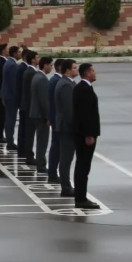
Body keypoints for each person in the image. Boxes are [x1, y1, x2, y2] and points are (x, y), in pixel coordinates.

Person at [72, 63, 101, 210]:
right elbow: (85, 115)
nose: (95, 73)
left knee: (82, 166)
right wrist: (89, 134)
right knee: (83, 166)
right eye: (93, 71)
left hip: (82, 133)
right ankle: (81, 198)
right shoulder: (84, 90)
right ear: (87, 73)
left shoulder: (83, 88)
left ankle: (81, 196)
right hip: (85, 135)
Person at [54, 59, 78, 197]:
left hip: (65, 126)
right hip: (66, 128)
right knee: (66, 158)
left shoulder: (68, 83)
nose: (76, 70)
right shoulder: (65, 85)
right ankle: (66, 187)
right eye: (74, 68)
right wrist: (73, 127)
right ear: (68, 70)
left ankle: (66, 185)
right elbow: (69, 110)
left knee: (66, 157)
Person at [28, 56, 53, 174]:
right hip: (40, 115)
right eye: (50, 65)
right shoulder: (42, 79)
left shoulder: (36, 76)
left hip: (35, 113)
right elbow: (44, 101)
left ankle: (40, 162)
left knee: (40, 140)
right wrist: (48, 116)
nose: (51, 68)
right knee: (42, 141)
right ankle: (41, 164)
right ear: (45, 65)